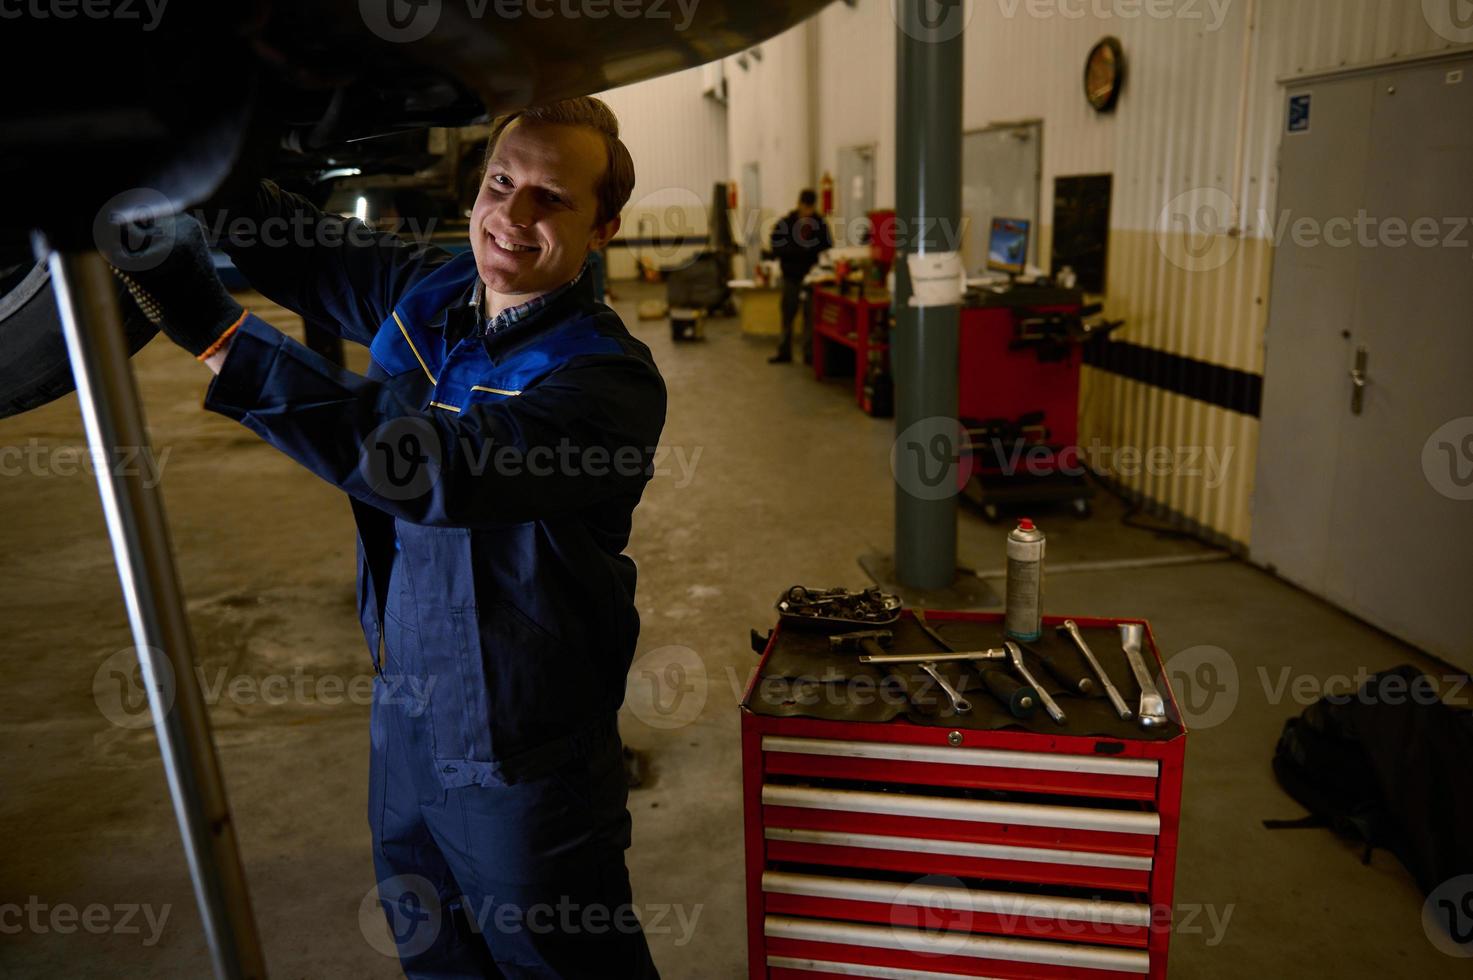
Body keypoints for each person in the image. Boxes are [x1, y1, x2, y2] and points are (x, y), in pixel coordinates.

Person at [113, 97, 664, 978]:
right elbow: (295, 244)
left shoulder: (606, 384)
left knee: (561, 965)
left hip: (523, 752)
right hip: (405, 720)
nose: (512, 217)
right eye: (500, 183)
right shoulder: (433, 292)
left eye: (550, 199)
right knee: (434, 954)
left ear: (603, 229)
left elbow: (435, 470)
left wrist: (225, 338)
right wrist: (183, 158)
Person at [767, 188, 832, 364]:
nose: (807, 213)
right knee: (787, 314)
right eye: (805, 208)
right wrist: (800, 252)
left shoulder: (820, 224)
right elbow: (776, 247)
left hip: (812, 278)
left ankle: (809, 354)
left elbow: (827, 249)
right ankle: (784, 352)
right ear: (799, 204)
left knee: (810, 316)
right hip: (791, 276)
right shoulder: (786, 224)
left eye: (810, 209)